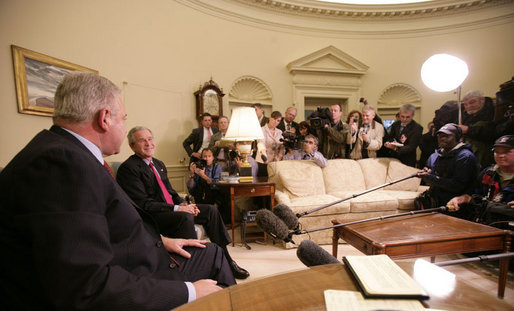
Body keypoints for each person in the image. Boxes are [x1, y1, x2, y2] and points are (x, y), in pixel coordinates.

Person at [0, 73, 235, 310]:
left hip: (137, 255)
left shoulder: (63, 152)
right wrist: (191, 291)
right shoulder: (62, 164)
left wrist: (161, 241)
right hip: (128, 274)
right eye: (123, 120)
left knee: (210, 251)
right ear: (105, 118)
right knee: (213, 261)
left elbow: (96, 228)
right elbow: (86, 284)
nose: (124, 128)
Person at [117, 127, 249, 280]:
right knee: (184, 218)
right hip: (153, 216)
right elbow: (143, 204)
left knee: (211, 210)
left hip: (171, 210)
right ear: (132, 146)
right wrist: (177, 209)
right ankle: (195, 267)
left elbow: (171, 193)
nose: (148, 143)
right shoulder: (129, 169)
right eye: (142, 140)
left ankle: (227, 261)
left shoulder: (158, 164)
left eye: (150, 139)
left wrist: (185, 205)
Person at [447, 135, 514, 228]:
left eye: (507, 152)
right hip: (487, 226)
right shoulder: (488, 173)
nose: (501, 155)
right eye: (497, 152)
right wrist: (460, 199)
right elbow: (472, 195)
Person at [416, 123, 479, 209]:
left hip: (454, 205)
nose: (442, 138)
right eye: (440, 136)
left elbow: (457, 186)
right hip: (435, 202)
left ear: (458, 138)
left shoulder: (465, 157)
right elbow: (431, 173)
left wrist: (431, 178)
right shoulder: (434, 156)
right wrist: (427, 172)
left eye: (446, 136)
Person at [458, 90, 496, 169]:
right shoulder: (466, 117)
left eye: (472, 102)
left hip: (486, 160)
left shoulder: (494, 113)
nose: (469, 106)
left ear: (482, 100)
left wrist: (468, 130)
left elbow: (493, 132)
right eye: (465, 104)